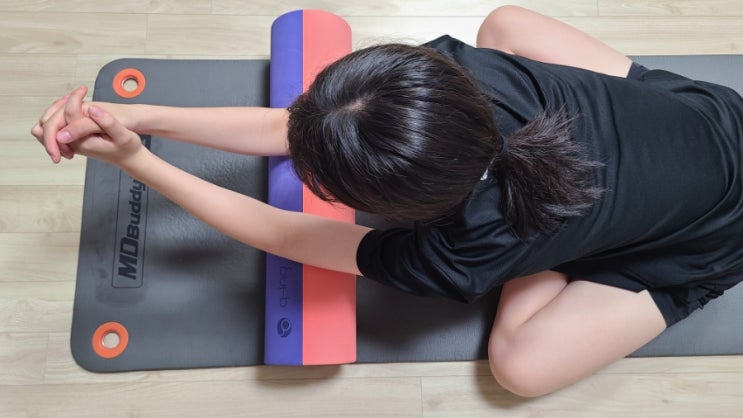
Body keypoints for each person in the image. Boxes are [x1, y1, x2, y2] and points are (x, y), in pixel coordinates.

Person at [32, 6, 743, 397]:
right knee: (504, 23)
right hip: (717, 120)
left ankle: (572, 248)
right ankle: (569, 236)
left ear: (411, 209)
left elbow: (286, 235)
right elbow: (293, 128)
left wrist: (139, 163)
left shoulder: (459, 253)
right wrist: (136, 119)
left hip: (715, 232)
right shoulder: (460, 76)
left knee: (519, 369)